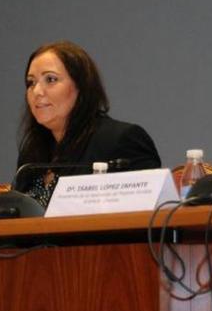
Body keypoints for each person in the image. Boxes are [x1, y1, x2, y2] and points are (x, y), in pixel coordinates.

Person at [16, 41, 161, 208]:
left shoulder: (121, 140)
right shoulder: (31, 155)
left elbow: (146, 219)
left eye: (50, 79)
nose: (37, 91)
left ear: (81, 86)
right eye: (31, 83)